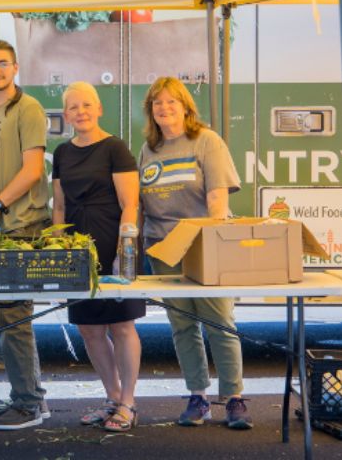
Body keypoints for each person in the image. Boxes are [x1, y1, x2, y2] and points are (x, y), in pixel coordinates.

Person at [138, 77, 250, 430]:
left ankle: (234, 398)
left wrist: (210, 243)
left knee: (219, 323)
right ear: (150, 111)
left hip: (204, 247)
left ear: (185, 106)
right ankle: (198, 397)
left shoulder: (206, 140)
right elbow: (143, 203)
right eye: (157, 103)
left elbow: (218, 199)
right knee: (182, 326)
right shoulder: (149, 149)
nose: (164, 108)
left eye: (171, 102)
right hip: (163, 248)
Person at [0, 39, 50, 430]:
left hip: (20, 225)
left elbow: (33, 169)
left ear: (15, 68)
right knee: (2, 315)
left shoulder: (27, 108)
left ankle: (29, 403)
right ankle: (27, 394)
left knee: (15, 314)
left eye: (2, 63)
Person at [51, 82, 143, 432]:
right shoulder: (62, 152)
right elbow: (59, 206)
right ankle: (113, 397)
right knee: (89, 328)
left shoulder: (114, 148)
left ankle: (130, 403)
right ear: (66, 114)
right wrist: (61, 251)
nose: (81, 112)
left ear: (99, 109)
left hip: (112, 240)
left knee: (121, 324)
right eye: (73, 107)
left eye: (87, 105)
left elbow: (129, 204)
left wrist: (125, 252)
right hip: (77, 246)